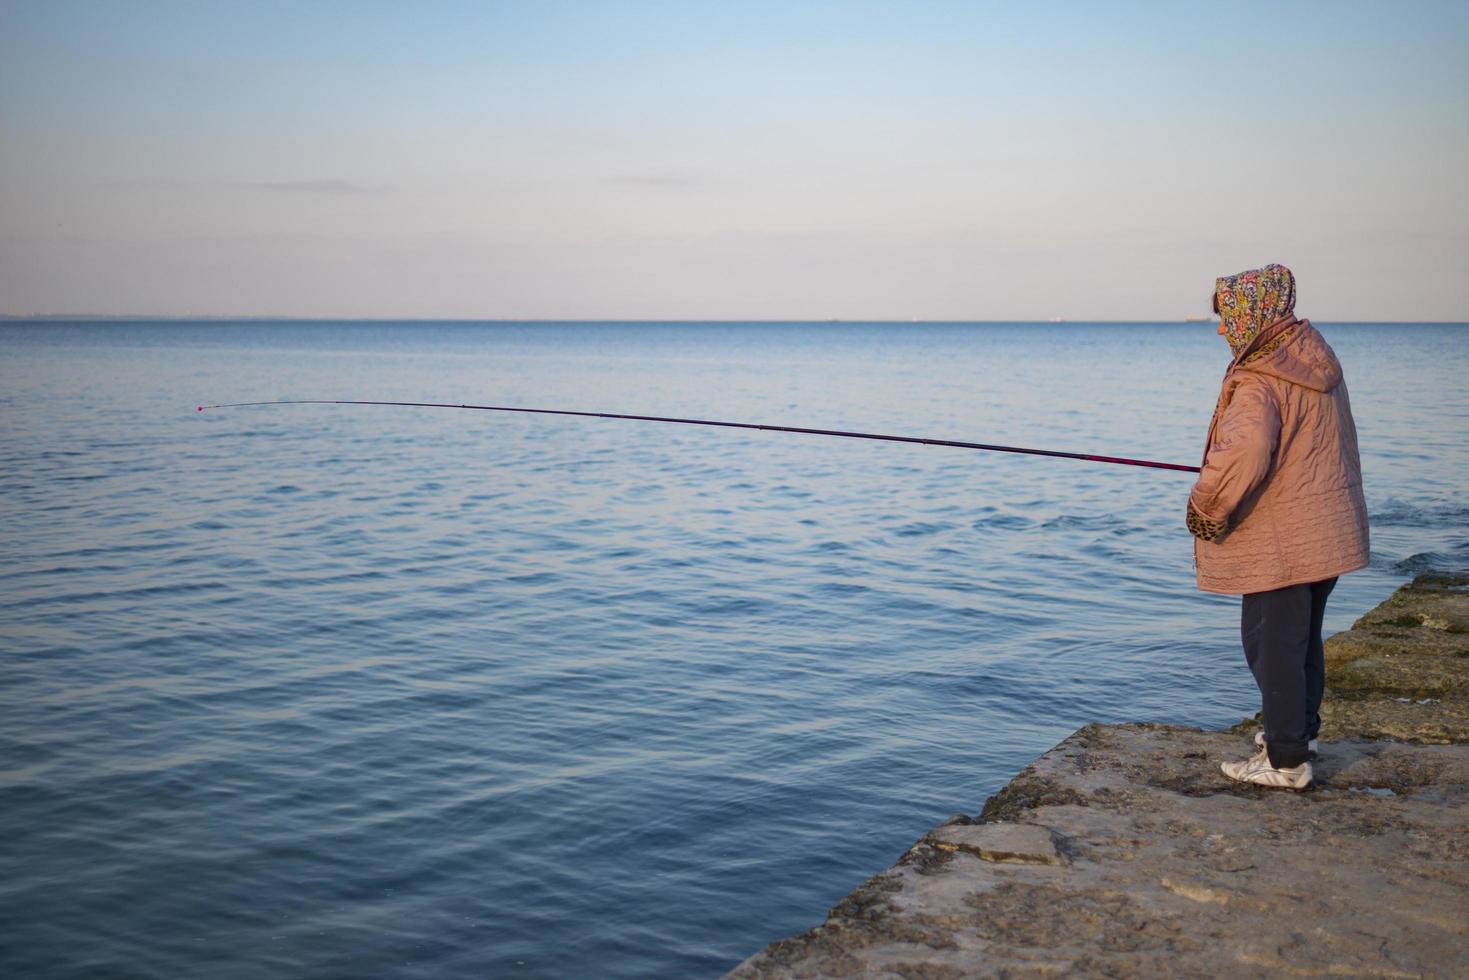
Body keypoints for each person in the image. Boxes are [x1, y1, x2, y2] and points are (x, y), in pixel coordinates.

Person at [1186, 264, 1369, 789]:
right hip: (1323, 527)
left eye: (1226, 317)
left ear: (1252, 314)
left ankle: (1287, 762)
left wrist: (1205, 508)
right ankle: (1298, 734)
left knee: (1271, 645)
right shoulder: (1310, 358)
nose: (1221, 328)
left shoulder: (1260, 377)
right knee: (1300, 639)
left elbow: (1244, 453)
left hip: (1283, 536)